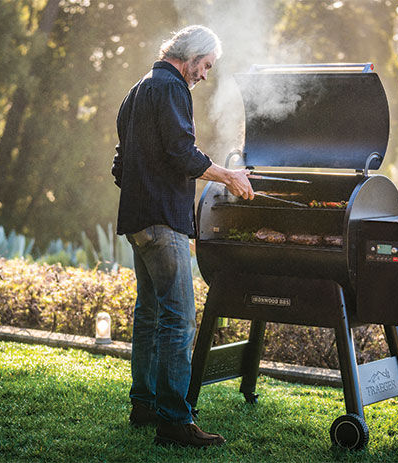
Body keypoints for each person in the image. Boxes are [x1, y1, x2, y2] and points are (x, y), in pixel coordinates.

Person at [111, 25, 254, 448]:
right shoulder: (172, 88)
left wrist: (143, 191)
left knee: (150, 315)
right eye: (206, 65)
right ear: (191, 56)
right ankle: (174, 420)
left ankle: (145, 405)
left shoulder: (136, 90)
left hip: (138, 221)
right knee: (178, 319)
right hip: (163, 222)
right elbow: (181, 152)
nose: (205, 75)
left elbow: (121, 164)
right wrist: (227, 174)